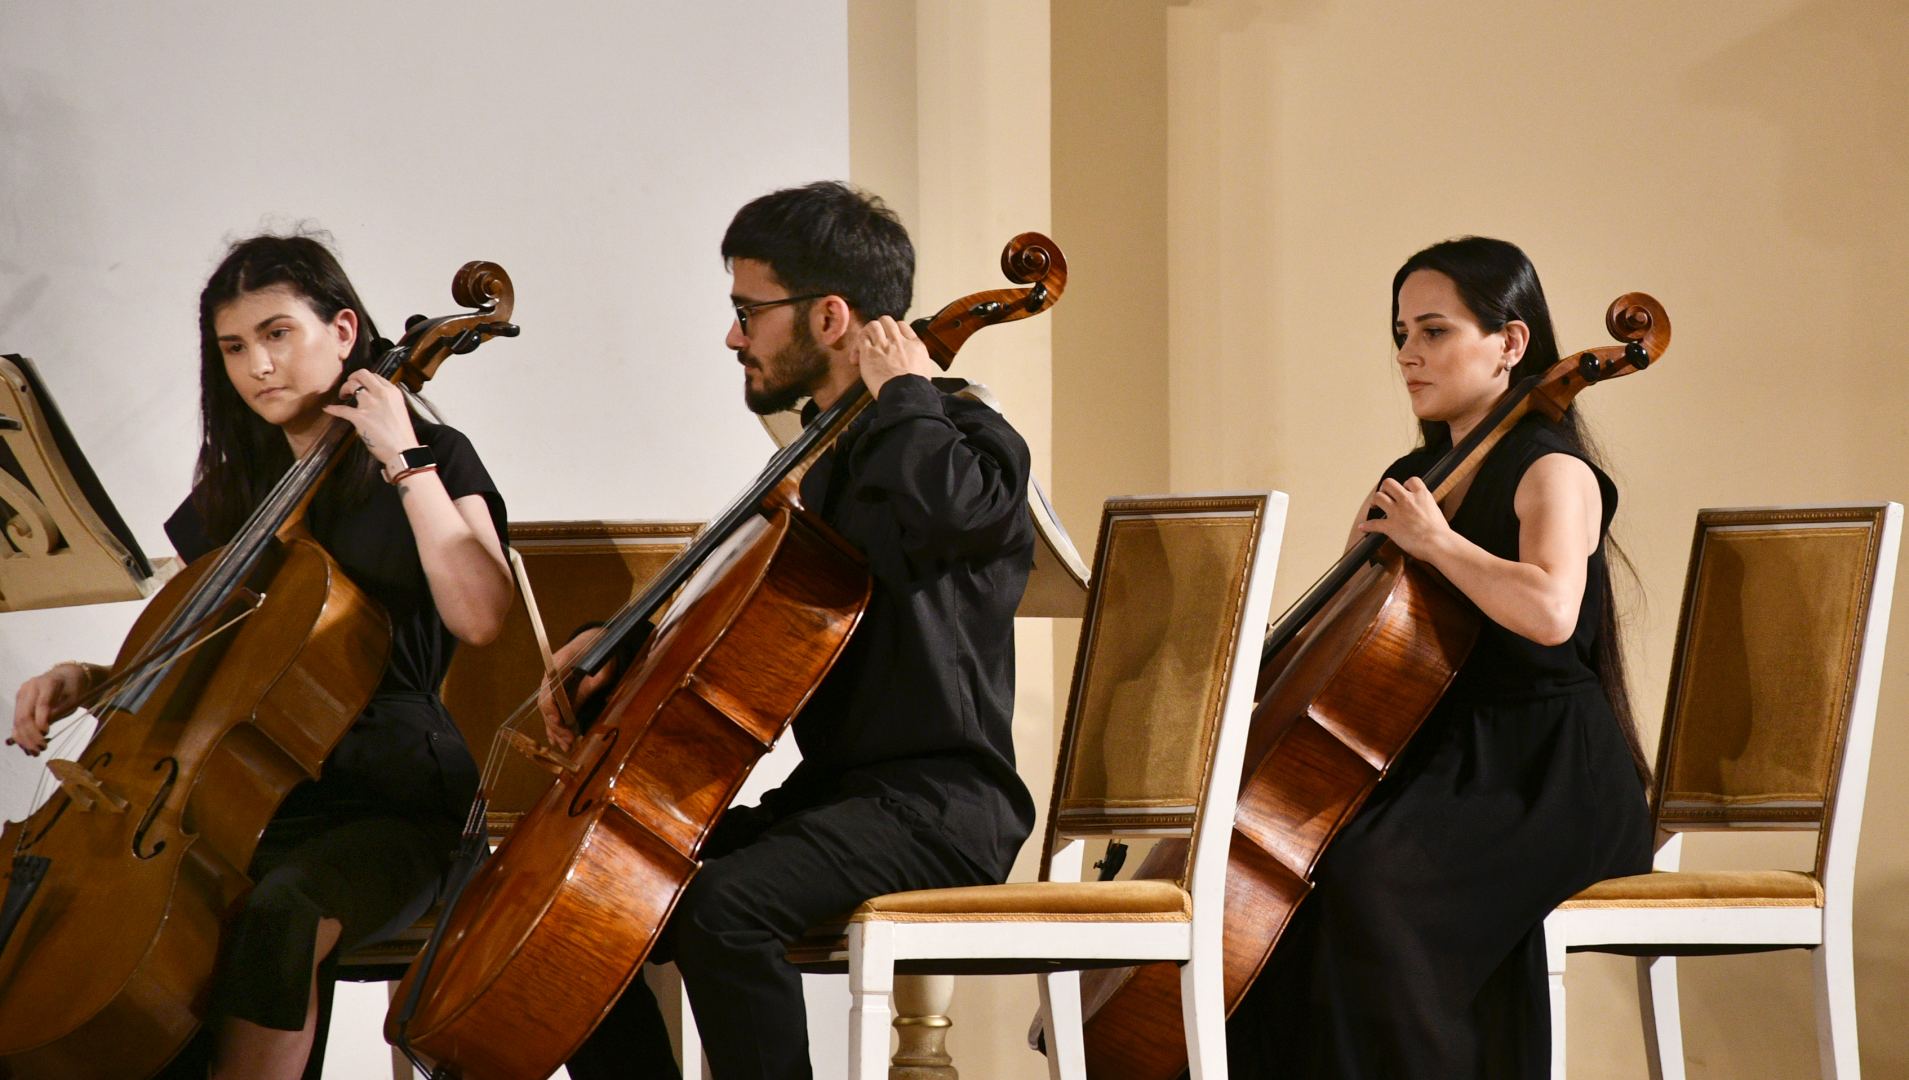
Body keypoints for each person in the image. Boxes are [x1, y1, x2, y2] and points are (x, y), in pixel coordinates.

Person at [547, 181, 1037, 1080]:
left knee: (724, 910)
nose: (733, 336)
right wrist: (610, 648)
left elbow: (942, 518)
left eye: (747, 311)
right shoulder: (821, 456)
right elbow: (730, 620)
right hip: (840, 796)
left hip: (942, 804)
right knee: (600, 899)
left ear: (829, 318)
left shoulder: (964, 435)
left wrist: (906, 397)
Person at [8, 233, 512, 1080]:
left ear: (344, 331)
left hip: (396, 804)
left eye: (278, 334)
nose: (258, 366)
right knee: (172, 925)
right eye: (235, 347)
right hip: (253, 806)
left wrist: (405, 459)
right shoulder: (232, 495)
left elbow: (482, 614)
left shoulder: (435, 455)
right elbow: (197, 657)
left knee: (283, 910)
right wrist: (89, 681)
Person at [1223, 236, 1653, 1077]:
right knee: (1298, 893)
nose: (1408, 355)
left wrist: (1436, 542)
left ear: (1511, 344)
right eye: (1399, 334)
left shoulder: (1554, 469)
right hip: (1448, 765)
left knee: (1370, 885)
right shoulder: (1417, 473)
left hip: (1549, 775)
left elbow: (1549, 613)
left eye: (1433, 331)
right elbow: (1352, 628)